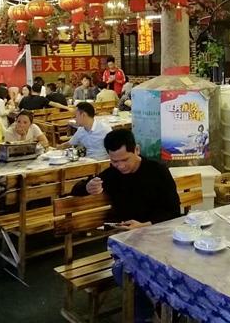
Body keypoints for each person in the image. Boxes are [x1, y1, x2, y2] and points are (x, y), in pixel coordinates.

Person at [71, 129, 181, 322]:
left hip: (159, 237)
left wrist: (145, 225)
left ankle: (169, 308)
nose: (120, 166)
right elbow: (78, 189)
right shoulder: (113, 174)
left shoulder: (157, 171)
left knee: (177, 268)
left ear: (136, 150)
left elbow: (173, 211)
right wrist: (87, 187)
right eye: (114, 161)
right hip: (126, 243)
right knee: (123, 270)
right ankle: (149, 317)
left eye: (125, 160)